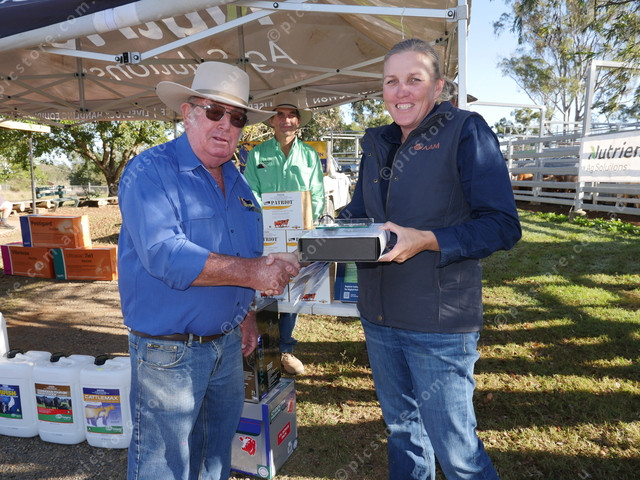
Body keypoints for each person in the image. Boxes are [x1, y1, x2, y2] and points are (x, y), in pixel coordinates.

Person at [339, 38, 522, 479]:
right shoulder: (377, 142)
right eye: (391, 81)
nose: (401, 91)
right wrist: (322, 234)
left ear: (438, 87)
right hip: (379, 316)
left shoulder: (465, 131)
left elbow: (502, 224)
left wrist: (428, 240)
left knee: (457, 453)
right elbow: (360, 213)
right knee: (403, 432)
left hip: (438, 322)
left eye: (414, 80)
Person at [117, 61, 300, 480]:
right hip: (169, 353)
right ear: (188, 113)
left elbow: (243, 251)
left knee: (215, 457)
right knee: (162, 467)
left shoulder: (238, 179)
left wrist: (246, 313)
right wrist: (253, 273)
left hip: (227, 347)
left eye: (236, 118)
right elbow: (166, 254)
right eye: (214, 111)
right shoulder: (150, 171)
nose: (225, 125)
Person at [243, 92, 326, 375]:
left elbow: (317, 194)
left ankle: (286, 350)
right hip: (265, 234)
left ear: (298, 121)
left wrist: (307, 225)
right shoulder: (257, 154)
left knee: (293, 290)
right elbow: (251, 191)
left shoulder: (309, 155)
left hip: (298, 236)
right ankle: (263, 348)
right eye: (280, 114)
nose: (286, 120)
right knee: (266, 290)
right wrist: (267, 218)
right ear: (271, 120)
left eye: (291, 115)